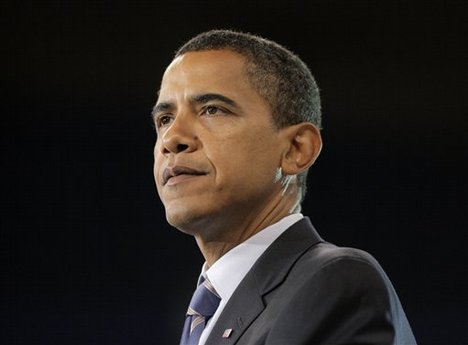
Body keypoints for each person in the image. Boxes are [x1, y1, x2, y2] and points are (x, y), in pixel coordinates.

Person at [152, 30, 416, 345]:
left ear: (296, 149)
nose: (171, 139)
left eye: (212, 109)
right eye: (165, 119)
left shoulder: (333, 281)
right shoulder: (212, 309)